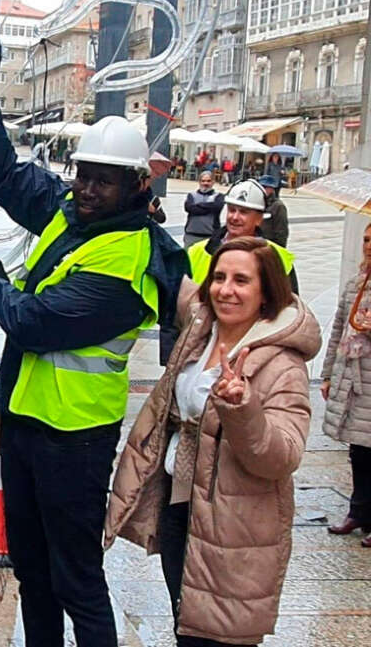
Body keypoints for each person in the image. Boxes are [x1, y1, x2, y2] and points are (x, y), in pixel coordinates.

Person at [0, 34, 187, 647]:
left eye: (104, 182)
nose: (87, 190)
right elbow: (5, 175)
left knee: (77, 580)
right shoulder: (73, 212)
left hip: (76, 441)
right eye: (83, 177)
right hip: (29, 426)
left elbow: (36, 321)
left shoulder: (129, 257)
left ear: (138, 188)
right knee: (33, 573)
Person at [106, 237, 321, 646]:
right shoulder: (200, 330)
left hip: (235, 526)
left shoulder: (283, 364)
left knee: (218, 635)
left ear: (267, 292)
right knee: (184, 620)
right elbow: (171, 271)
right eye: (219, 277)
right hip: (180, 505)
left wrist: (243, 410)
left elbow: (283, 456)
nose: (226, 289)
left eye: (242, 280)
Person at [322, 222, 371, 546]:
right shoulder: (356, 283)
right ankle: (358, 512)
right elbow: (339, 328)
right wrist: (327, 374)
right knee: (358, 450)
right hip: (353, 380)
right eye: (366, 239)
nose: (368, 245)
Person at [185, 179, 296, 291]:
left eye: (244, 212)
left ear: (259, 219)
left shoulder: (279, 258)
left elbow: (289, 304)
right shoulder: (197, 252)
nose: (235, 217)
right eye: (232, 210)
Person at [182, 170, 224, 248]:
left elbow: (217, 206)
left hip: (210, 238)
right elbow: (189, 208)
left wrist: (197, 205)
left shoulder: (219, 196)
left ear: (213, 182)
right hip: (191, 236)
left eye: (208, 181)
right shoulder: (191, 195)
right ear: (199, 182)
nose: (205, 183)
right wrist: (209, 207)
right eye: (203, 181)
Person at [258, 174, 289, 247]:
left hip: (269, 245)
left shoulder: (278, 206)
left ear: (272, 189)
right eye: (261, 187)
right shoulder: (257, 202)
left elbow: (282, 232)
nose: (262, 189)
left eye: (265, 187)